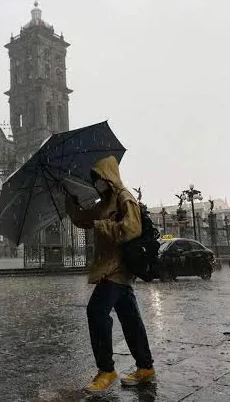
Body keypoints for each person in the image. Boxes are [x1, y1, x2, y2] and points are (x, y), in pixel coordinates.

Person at [64, 155, 154, 395]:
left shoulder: (125, 198)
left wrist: (103, 226)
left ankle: (106, 370)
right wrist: (70, 201)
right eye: (95, 181)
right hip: (110, 268)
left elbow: (132, 229)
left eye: (100, 179)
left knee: (96, 311)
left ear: (109, 177)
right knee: (130, 318)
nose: (97, 184)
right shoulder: (103, 203)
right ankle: (145, 366)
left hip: (117, 268)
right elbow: (84, 220)